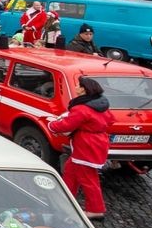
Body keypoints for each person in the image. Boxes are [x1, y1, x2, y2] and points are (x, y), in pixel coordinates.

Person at [46, 78, 113, 219]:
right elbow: (110, 120)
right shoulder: (101, 105)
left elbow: (67, 125)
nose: (76, 86)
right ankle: (65, 201)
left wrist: (52, 125)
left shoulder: (82, 108)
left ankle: (96, 209)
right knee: (70, 172)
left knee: (88, 179)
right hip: (96, 144)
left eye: (78, 85)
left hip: (86, 146)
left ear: (83, 89)